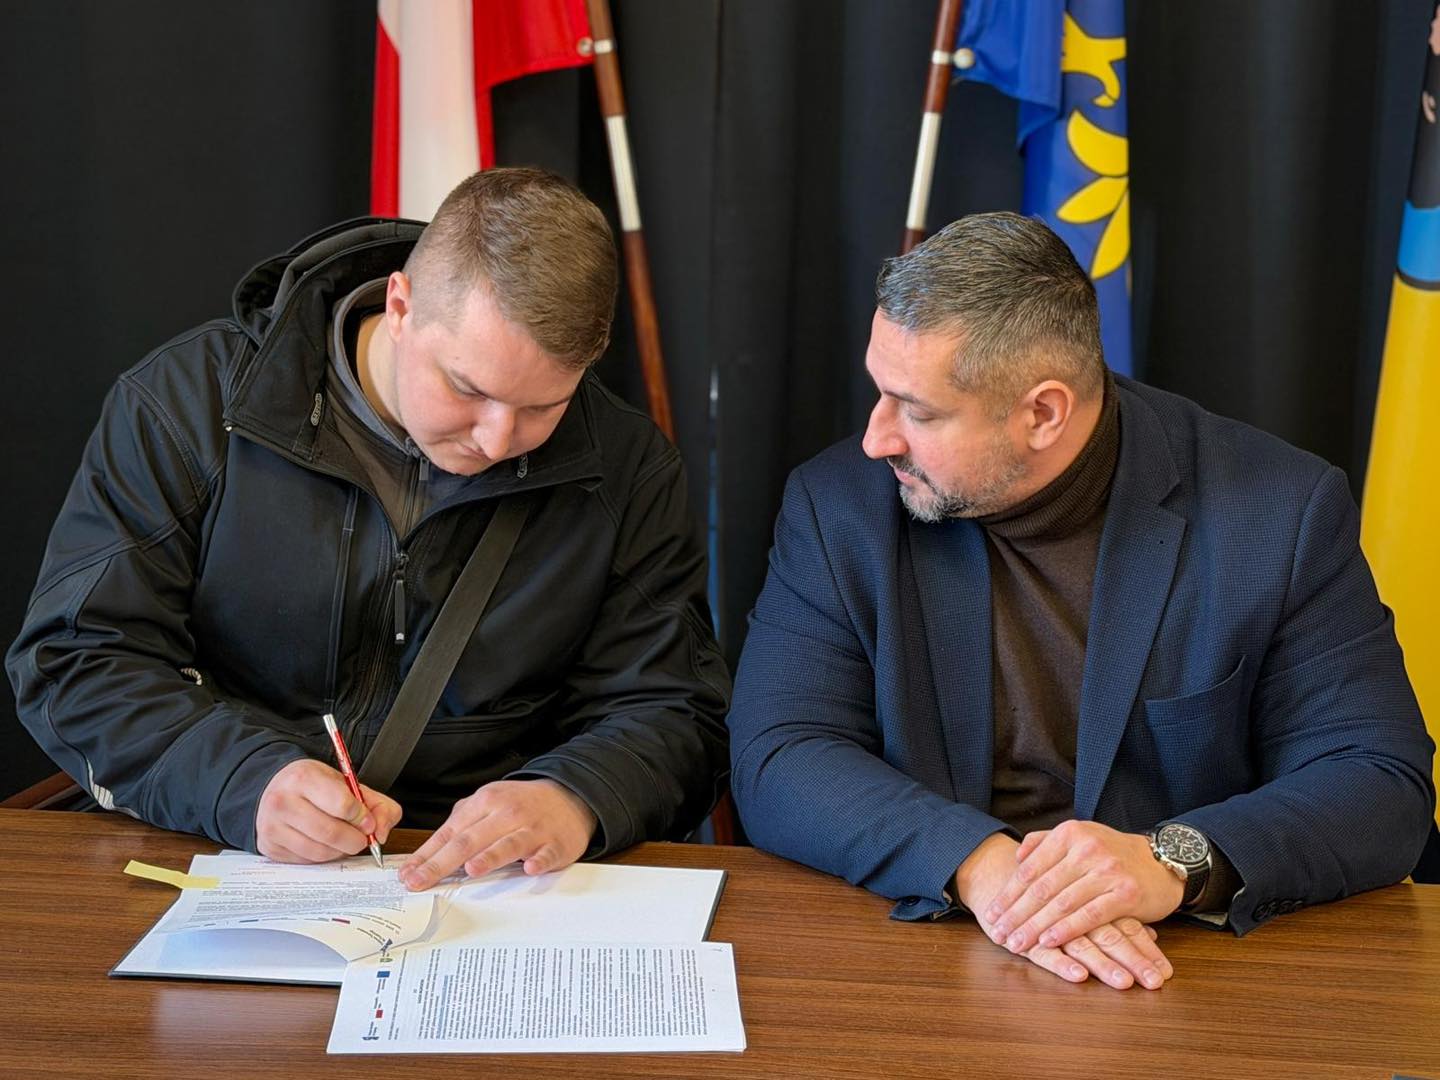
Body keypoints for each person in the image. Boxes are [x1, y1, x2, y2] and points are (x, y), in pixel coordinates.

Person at [726, 212, 1434, 991]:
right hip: (928, 954)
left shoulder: (1279, 512)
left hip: (1185, 971)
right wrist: (983, 867)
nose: (876, 438)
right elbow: (779, 754)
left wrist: (1169, 861)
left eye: (917, 411)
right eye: (880, 392)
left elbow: (1379, 780)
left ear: (1043, 412)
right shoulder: (840, 506)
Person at [8, 168, 730, 892]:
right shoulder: (190, 406)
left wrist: (575, 796)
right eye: (467, 388)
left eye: (544, 407)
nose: (497, 438)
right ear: (400, 304)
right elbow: (77, 659)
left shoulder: (626, 467)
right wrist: (240, 780)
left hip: (484, 888)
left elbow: (676, 712)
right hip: (215, 843)